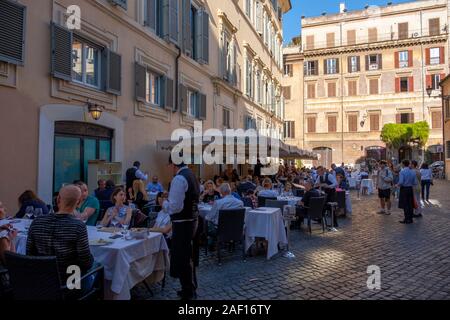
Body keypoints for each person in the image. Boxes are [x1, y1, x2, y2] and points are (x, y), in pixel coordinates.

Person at [26, 185, 94, 283]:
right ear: (78, 202)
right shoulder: (78, 226)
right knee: (98, 268)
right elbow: (86, 262)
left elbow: (29, 254)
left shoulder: (37, 222)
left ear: (58, 199)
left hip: (41, 281)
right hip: (69, 284)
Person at [164, 155, 200, 300]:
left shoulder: (179, 179)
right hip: (192, 220)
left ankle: (188, 291)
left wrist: (165, 204)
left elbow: (175, 207)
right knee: (188, 256)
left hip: (182, 222)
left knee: (182, 257)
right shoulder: (191, 174)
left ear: (174, 164)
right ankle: (190, 287)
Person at [396, 160, 417, 224]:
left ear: (403, 164)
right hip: (410, 188)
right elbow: (415, 182)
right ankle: (410, 218)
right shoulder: (413, 171)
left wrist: (397, 185)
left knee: (405, 204)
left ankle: (406, 219)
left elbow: (401, 182)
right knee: (410, 204)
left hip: (404, 189)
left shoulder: (402, 171)